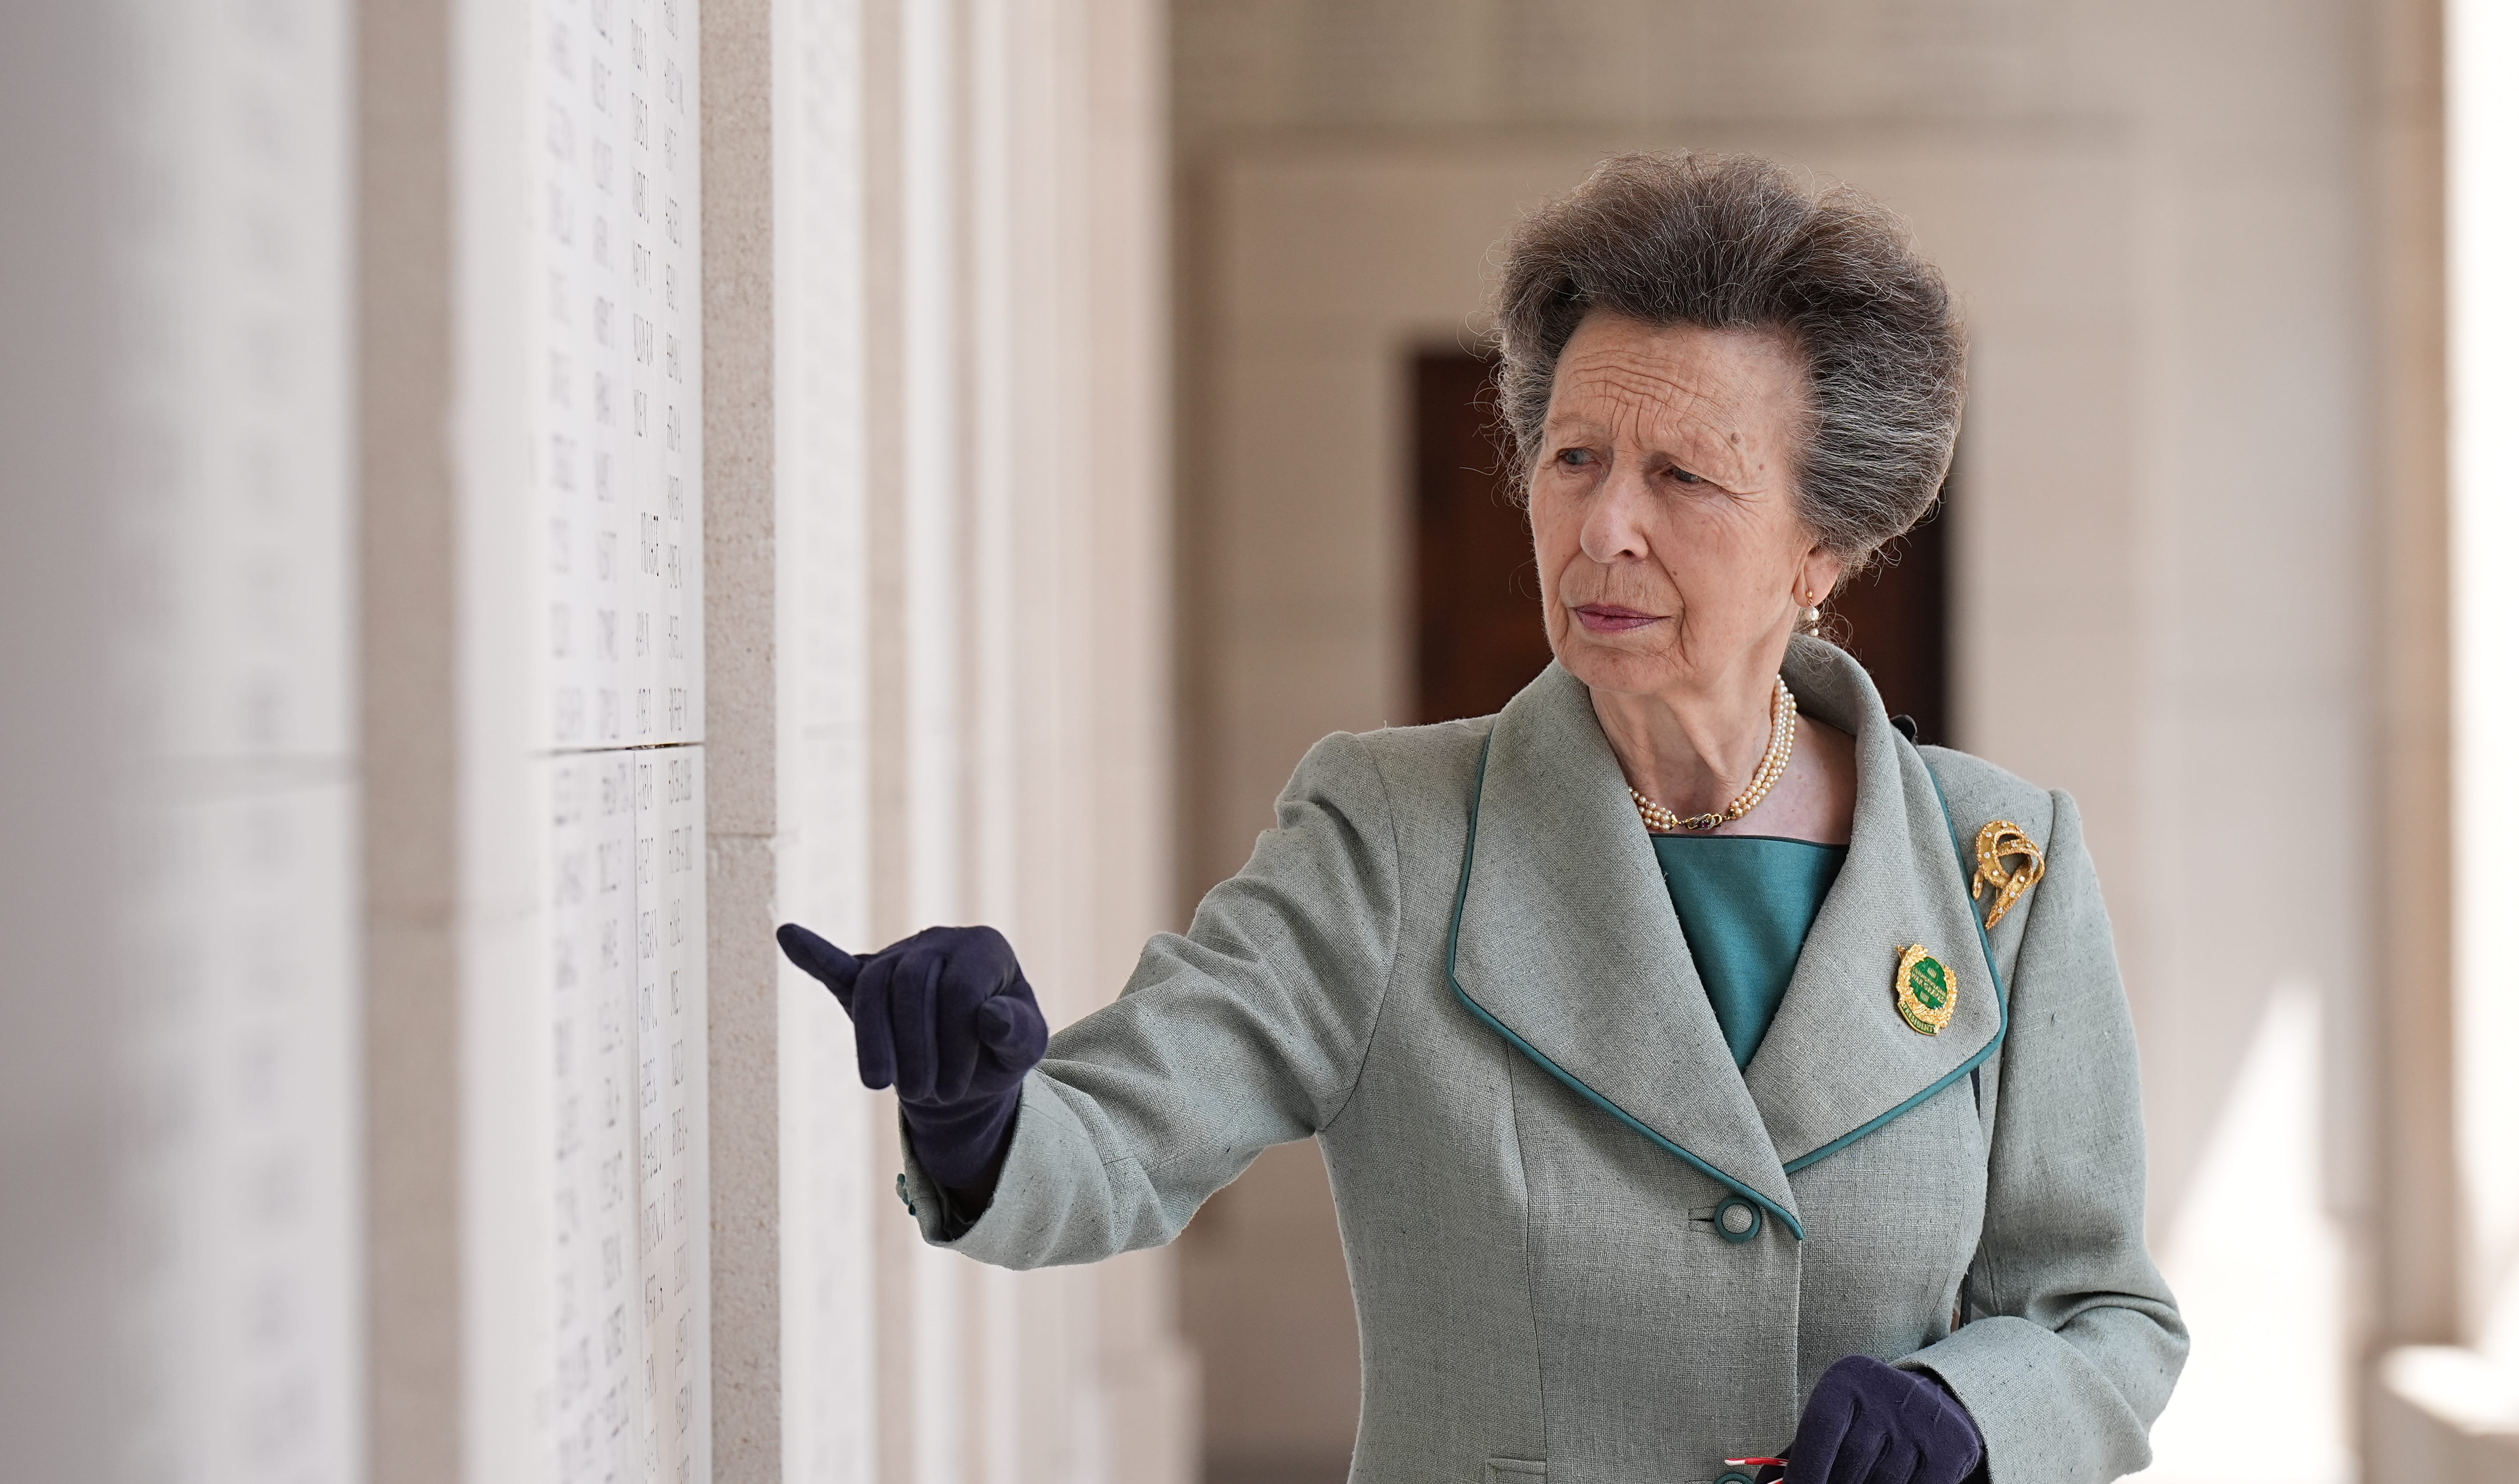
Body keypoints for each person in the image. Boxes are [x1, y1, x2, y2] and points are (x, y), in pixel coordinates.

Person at [781, 152, 2185, 1484]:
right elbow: (1113, 1140)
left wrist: (1970, 1411)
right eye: (1573, 458)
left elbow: (2103, 1314)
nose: (1604, 527)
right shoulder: (1389, 837)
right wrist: (975, 1113)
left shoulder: (2001, 866)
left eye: (1683, 477)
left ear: (1824, 544)